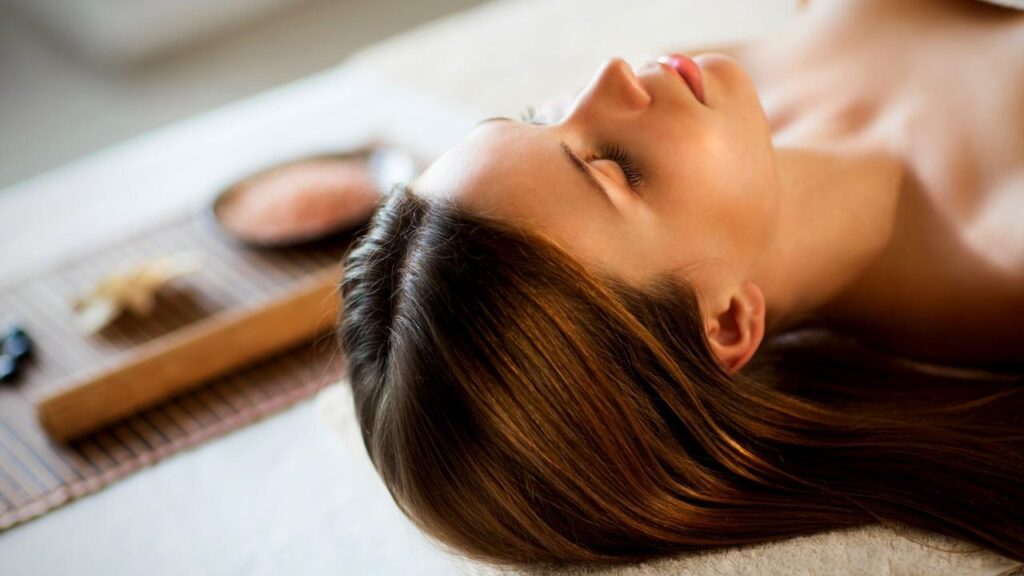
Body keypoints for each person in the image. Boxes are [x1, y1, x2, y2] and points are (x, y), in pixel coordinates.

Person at [338, 0, 1024, 568]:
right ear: (726, 322)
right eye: (614, 168)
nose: (611, 78)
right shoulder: (1003, 246)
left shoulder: (716, 99)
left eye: (537, 117)